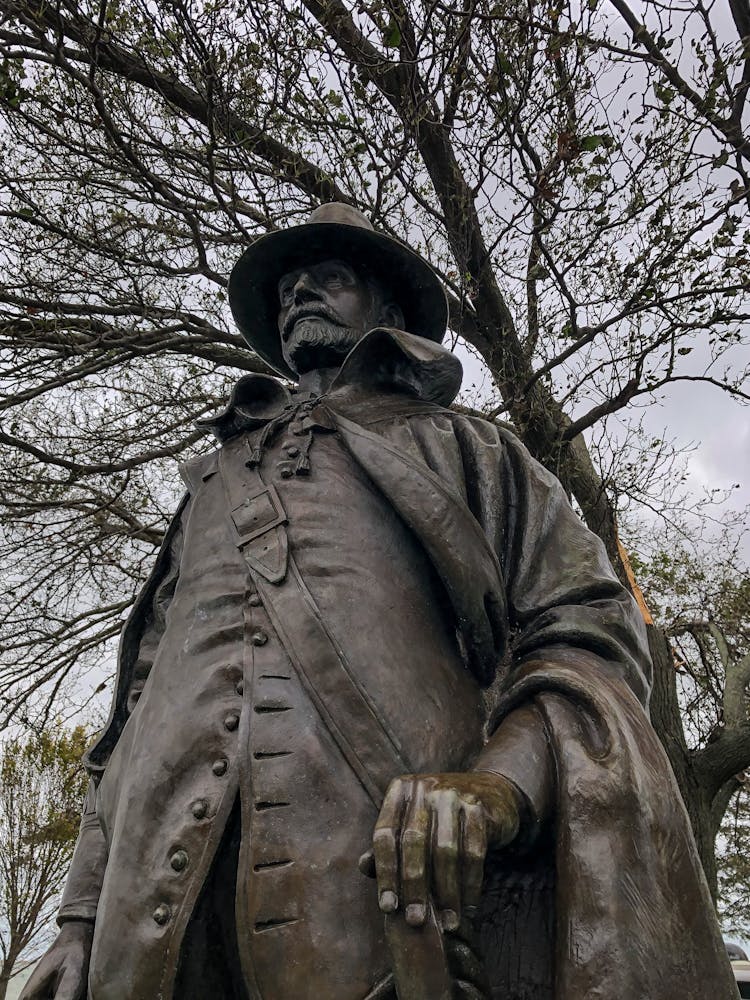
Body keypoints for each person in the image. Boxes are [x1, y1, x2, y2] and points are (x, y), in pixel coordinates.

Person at [22, 204, 737, 1000]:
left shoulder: (470, 447)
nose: (300, 295)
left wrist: (500, 786)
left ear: (389, 313)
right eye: (290, 287)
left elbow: (586, 628)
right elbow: (132, 710)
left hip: (382, 891)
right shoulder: (207, 488)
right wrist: (81, 915)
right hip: (152, 911)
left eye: (330, 279)